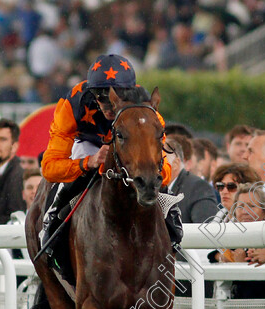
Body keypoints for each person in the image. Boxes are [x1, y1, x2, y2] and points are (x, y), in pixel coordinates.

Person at [38, 54, 179, 261]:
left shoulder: (146, 112)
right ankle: (51, 230)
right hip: (88, 144)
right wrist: (89, 162)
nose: (107, 103)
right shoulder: (73, 104)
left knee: (153, 177)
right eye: (99, 95)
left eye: (115, 94)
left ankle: (174, 231)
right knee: (64, 186)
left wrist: (155, 175)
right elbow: (49, 168)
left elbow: (164, 170)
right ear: (90, 92)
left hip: (127, 146)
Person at [165, 136, 219, 223]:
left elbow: (205, 232)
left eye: (159, 160)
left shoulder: (198, 188)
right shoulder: (151, 190)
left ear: (175, 164)